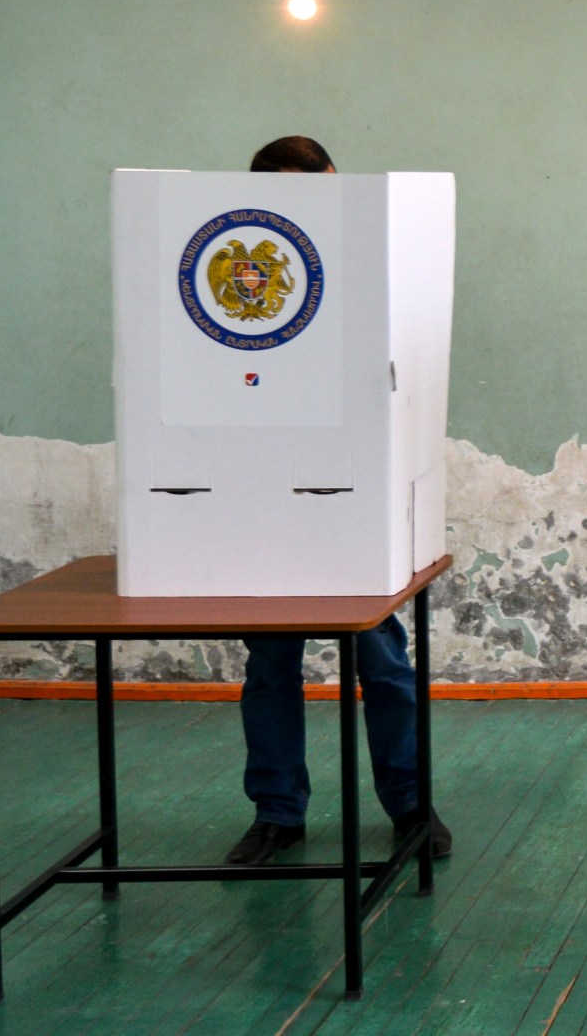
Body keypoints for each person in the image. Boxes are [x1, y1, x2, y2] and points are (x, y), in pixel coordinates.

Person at [223, 135, 453, 867]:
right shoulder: (249, 260)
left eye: (313, 189)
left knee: (381, 659)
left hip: (359, 491)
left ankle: (411, 805)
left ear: (334, 181)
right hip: (267, 491)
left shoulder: (370, 256)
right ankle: (277, 813)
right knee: (270, 665)